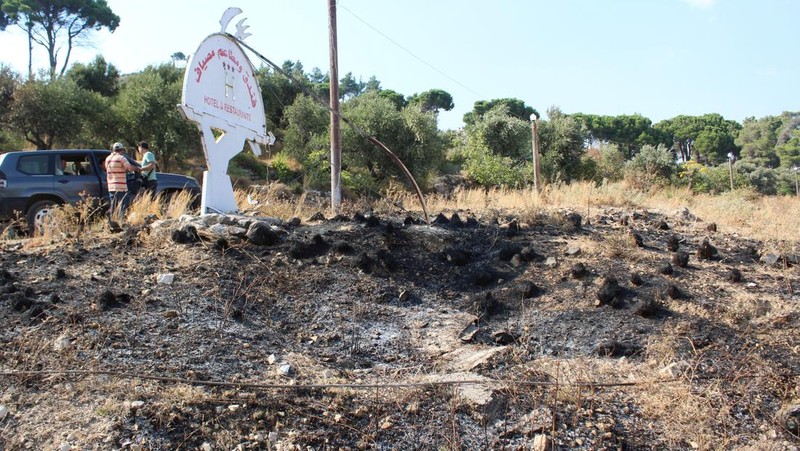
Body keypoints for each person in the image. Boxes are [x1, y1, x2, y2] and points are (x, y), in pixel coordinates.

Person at [105, 142, 141, 229]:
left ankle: (111, 223)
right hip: (121, 186)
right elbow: (130, 168)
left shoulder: (108, 159)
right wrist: (138, 169)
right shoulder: (121, 158)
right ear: (121, 150)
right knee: (123, 206)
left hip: (111, 186)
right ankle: (122, 223)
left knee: (113, 204)